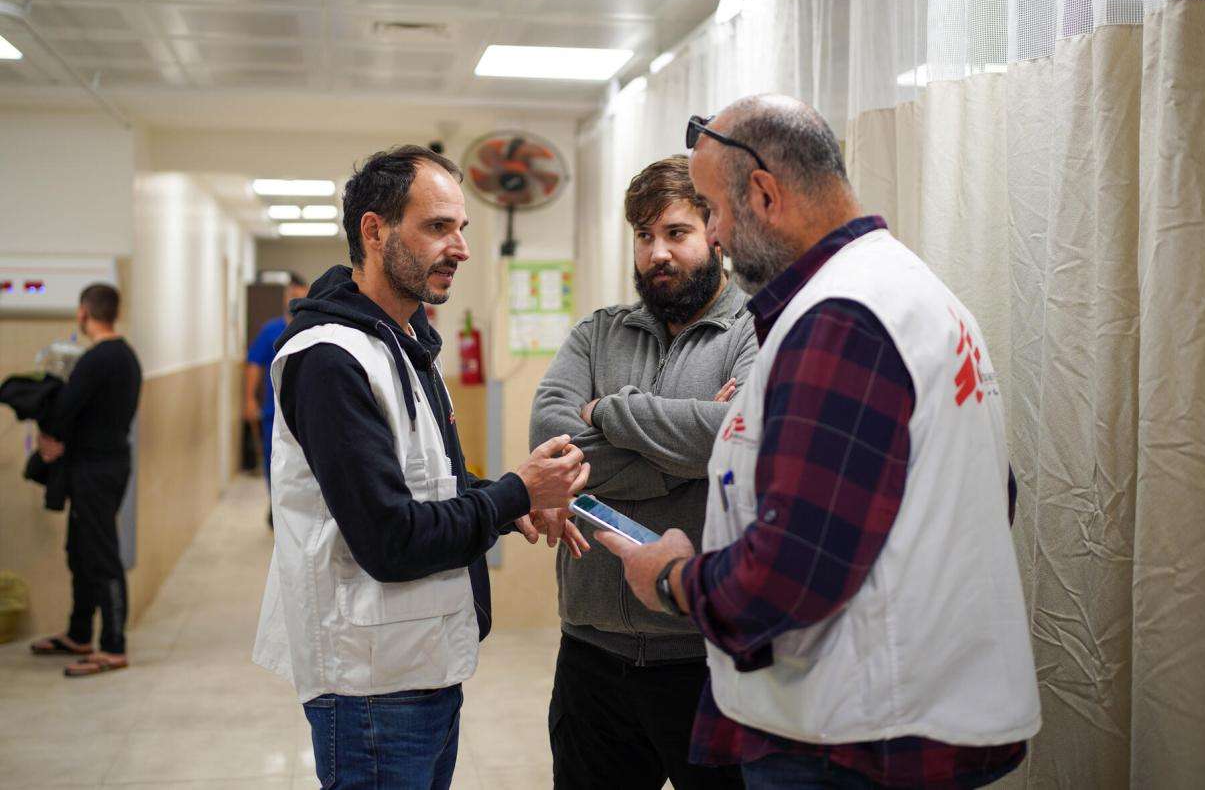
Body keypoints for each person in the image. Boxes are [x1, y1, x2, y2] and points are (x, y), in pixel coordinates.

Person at [601, 96, 1042, 789]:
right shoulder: (916, 294)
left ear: (765, 194)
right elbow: (991, 494)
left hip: (854, 738)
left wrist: (671, 576)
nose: (713, 239)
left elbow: (792, 569)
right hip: (896, 715)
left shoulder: (843, 317)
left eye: (712, 212)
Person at [252, 144, 590, 789]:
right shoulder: (330, 358)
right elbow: (389, 539)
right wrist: (514, 492)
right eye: (438, 227)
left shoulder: (404, 341)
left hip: (420, 662)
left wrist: (513, 497)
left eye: (461, 227)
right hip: (370, 684)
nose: (460, 246)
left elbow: (427, 487)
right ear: (373, 231)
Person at [530, 155, 757, 790]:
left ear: (714, 233)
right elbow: (550, 446)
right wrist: (686, 460)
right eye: (643, 236)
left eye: (676, 233)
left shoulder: (755, 331)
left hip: (705, 659)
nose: (657, 253)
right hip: (591, 653)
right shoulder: (597, 333)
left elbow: (740, 439)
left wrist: (607, 412)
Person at [30, 283, 143, 678]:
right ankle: (79, 633)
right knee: (80, 551)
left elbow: (64, 408)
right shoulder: (126, 356)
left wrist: (49, 438)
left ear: (83, 313)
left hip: (95, 470)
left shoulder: (98, 359)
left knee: (101, 555)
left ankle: (113, 645)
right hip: (107, 465)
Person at [244, 272, 308, 525]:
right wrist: (249, 399)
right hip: (274, 411)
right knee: (274, 461)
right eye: (291, 295)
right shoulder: (271, 329)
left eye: (299, 295)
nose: (294, 300)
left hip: (305, 411)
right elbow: (253, 363)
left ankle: (296, 512)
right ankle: (276, 506)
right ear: (285, 296)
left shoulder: (313, 326)